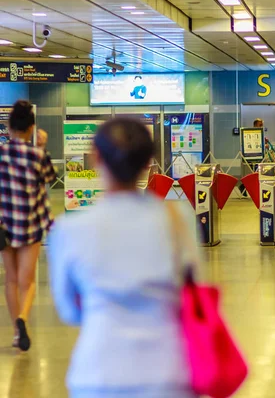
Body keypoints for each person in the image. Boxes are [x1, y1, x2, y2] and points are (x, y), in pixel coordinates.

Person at [48, 118, 196, 398]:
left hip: (98, 373)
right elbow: (191, 288)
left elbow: (69, 310)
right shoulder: (178, 220)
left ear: (96, 157)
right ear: (148, 162)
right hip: (168, 373)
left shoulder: (69, 229)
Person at [0, 100, 55, 351]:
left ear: (9, 127)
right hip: (30, 225)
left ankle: (15, 332)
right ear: (32, 128)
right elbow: (48, 182)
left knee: (10, 280)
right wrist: (42, 148)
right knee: (28, 280)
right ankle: (23, 318)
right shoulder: (37, 155)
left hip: (4, 226)